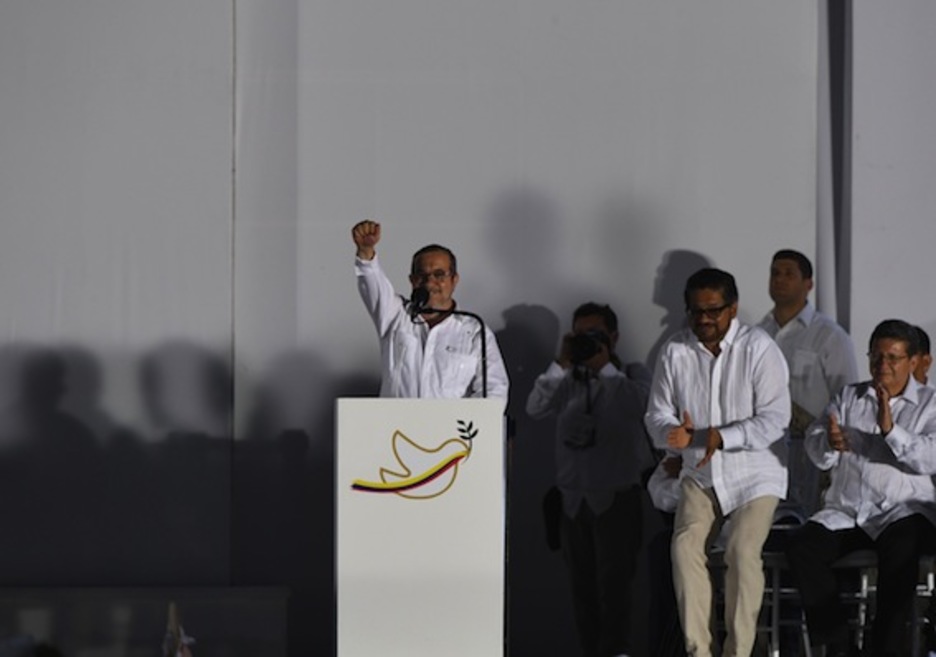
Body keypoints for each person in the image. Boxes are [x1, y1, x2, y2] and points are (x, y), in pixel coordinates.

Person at [645, 267, 791, 657]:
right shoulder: (675, 350)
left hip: (755, 474)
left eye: (713, 310)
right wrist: (672, 435)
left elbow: (776, 418)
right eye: (696, 312)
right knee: (683, 545)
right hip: (701, 472)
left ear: (733, 308)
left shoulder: (758, 347)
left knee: (742, 552)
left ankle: (738, 652)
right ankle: (699, 651)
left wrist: (719, 436)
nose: (704, 320)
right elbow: (656, 415)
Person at [784, 319, 936, 657]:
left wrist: (890, 430)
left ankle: (886, 651)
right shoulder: (849, 395)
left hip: (903, 511)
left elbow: (930, 459)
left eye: (893, 358)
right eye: (876, 357)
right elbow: (817, 447)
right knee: (803, 546)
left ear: (913, 362)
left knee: (903, 548)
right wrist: (829, 442)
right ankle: (840, 648)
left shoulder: (931, 404)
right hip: (849, 511)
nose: (883, 366)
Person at [526, 302, 654, 657]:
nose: (587, 342)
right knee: (582, 593)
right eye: (580, 335)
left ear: (613, 337)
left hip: (617, 499)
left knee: (616, 593)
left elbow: (644, 408)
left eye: (595, 335)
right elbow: (534, 408)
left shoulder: (631, 373)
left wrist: (604, 368)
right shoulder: (566, 379)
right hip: (572, 502)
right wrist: (561, 362)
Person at [352, 220, 509, 399]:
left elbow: (495, 389)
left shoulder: (474, 330)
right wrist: (365, 252)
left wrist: (461, 423)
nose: (429, 282)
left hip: (451, 426)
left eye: (439, 275)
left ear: (454, 280)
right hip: (396, 426)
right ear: (412, 280)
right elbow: (373, 282)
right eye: (422, 275)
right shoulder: (395, 315)